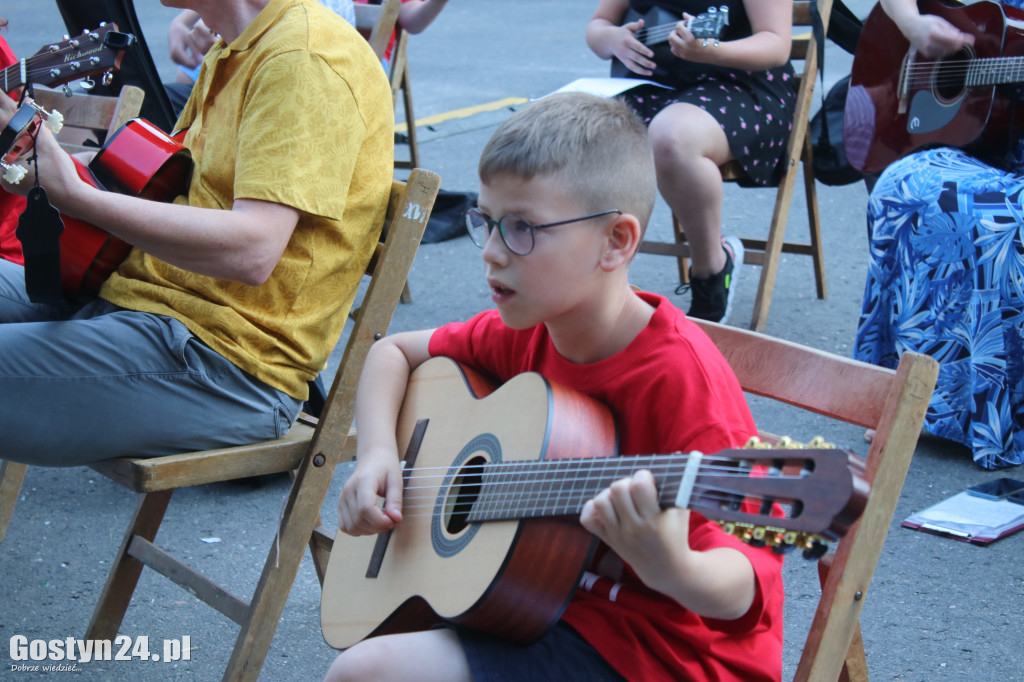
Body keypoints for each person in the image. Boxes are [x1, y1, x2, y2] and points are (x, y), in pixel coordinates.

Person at [324, 93, 784, 682]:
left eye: (521, 228)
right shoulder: (533, 328)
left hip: (660, 652)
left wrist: (673, 568)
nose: (490, 253)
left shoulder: (681, 381)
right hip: (537, 604)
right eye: (486, 222)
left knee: (367, 674)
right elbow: (392, 351)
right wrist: (377, 456)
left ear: (616, 242)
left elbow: (747, 587)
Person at [0, 0, 393, 465]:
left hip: (226, 364)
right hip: (137, 302)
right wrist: (57, 169)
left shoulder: (303, 58)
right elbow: (171, 186)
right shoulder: (237, 44)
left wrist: (77, 195)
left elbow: (252, 251)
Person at [854, 0, 1024, 470]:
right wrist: (914, 24)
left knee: (995, 223)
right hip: (994, 148)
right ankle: (907, 398)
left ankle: (984, 415)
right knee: (903, 185)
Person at [585, 0, 796, 323]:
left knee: (670, 137)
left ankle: (712, 269)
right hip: (656, 85)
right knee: (573, 132)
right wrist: (613, 39)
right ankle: (582, 277)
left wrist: (712, 50)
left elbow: (776, 44)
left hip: (741, 85)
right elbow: (598, 25)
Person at [165, 0, 357, 112]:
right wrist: (179, 22)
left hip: (291, 92)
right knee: (169, 92)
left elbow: (306, 69)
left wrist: (229, 51)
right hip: (256, 79)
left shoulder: (305, 33)